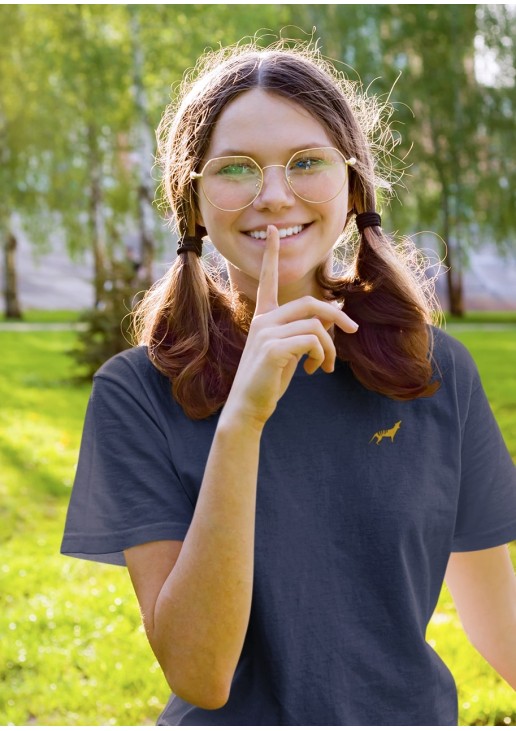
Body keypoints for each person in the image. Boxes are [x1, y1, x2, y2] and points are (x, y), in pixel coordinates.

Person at [61, 41, 516, 725]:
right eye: (237, 168)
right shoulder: (137, 392)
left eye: (307, 162)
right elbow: (199, 672)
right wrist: (242, 420)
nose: (274, 196)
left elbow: (496, 612)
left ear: (354, 185)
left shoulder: (434, 369)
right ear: (191, 201)